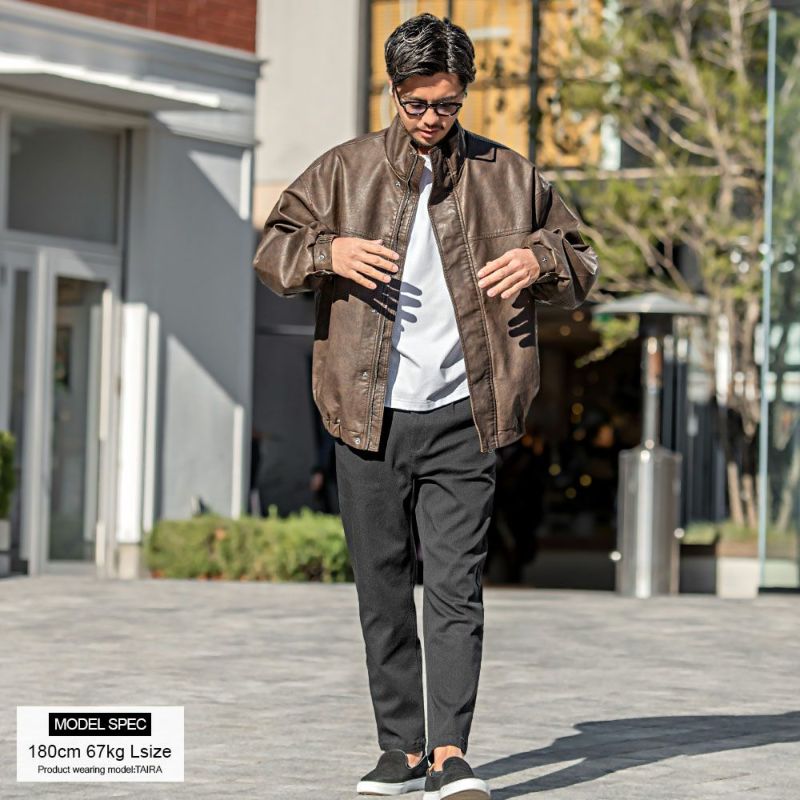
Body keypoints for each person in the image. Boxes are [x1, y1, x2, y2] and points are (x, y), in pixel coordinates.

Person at [252, 13, 600, 798]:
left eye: (446, 104)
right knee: (381, 587)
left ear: (464, 93)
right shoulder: (343, 170)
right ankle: (400, 748)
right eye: (416, 104)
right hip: (366, 413)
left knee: (454, 588)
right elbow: (272, 251)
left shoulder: (509, 174)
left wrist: (539, 258)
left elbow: (581, 259)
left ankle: (449, 752)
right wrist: (328, 251)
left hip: (465, 414)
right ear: (394, 91)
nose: (431, 119)